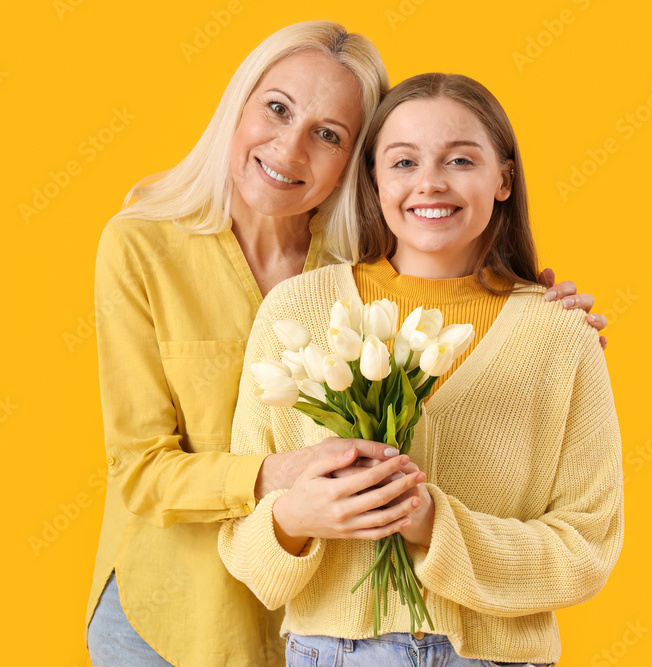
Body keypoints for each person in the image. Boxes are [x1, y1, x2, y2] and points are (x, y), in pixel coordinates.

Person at [86, 22, 606, 667]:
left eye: (327, 134)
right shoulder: (142, 246)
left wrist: (539, 327)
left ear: (353, 164)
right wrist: (285, 484)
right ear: (238, 106)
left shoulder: (362, 266)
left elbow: (453, 287)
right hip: (179, 607)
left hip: (324, 620)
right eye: (276, 108)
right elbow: (138, 466)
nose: (289, 146)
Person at [218, 73, 623, 667]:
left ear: (503, 178)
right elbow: (246, 552)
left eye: (460, 159)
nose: (430, 182)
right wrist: (293, 518)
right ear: (374, 179)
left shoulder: (559, 335)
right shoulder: (299, 313)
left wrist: (438, 528)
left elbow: (588, 550)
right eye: (403, 162)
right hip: (334, 652)